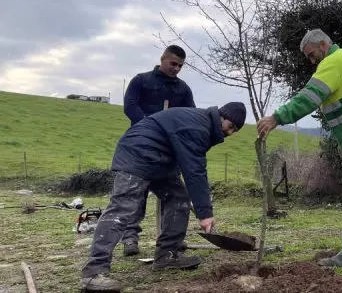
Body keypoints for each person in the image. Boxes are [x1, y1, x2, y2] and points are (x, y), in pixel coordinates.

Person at [80, 102, 247, 292]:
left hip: (159, 160)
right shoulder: (199, 126)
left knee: (179, 198)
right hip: (138, 153)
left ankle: (166, 256)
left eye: (236, 130)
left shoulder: (203, 125)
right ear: (222, 117)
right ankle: (93, 273)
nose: (231, 133)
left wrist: (197, 202)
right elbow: (195, 170)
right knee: (122, 209)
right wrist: (205, 212)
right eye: (231, 126)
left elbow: (183, 158)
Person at [257, 29, 342, 267]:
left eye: (311, 54)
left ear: (322, 45)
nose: (311, 60)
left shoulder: (333, 62)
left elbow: (309, 97)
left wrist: (276, 118)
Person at [121, 45, 196, 256]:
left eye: (180, 66)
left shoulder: (183, 90)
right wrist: (149, 126)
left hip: (169, 151)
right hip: (141, 148)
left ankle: (170, 238)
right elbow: (130, 106)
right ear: (163, 59)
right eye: (173, 64)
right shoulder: (141, 80)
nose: (176, 69)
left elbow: (189, 116)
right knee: (136, 194)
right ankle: (130, 239)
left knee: (174, 194)